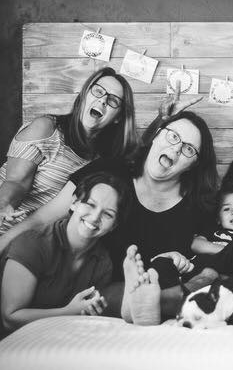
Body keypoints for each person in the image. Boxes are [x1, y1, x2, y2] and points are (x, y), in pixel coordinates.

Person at [0, 111, 219, 322]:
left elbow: (207, 256)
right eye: (173, 136)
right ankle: (152, 303)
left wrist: (184, 268)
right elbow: (40, 220)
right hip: (84, 287)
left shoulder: (200, 204)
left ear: (195, 164)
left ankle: (157, 301)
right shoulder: (109, 170)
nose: (177, 148)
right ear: (157, 134)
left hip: (154, 285)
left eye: (189, 149)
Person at [0, 67, 137, 233]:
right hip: (5, 227)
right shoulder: (47, 129)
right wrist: (4, 204)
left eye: (113, 101)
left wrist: (162, 120)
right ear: (84, 95)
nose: (103, 101)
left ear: (118, 117)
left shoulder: (101, 160)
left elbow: (141, 157)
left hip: (35, 242)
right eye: (98, 91)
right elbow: (16, 182)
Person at [0, 171, 131, 335]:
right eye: (90, 204)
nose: (95, 217)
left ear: (114, 225)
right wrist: (70, 311)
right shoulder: (33, 243)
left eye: (108, 214)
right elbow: (9, 319)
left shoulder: (103, 263)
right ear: (74, 203)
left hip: (52, 343)